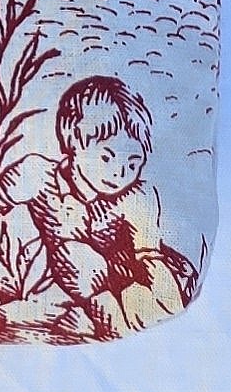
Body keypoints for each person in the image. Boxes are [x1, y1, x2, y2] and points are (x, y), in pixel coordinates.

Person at [22, 74, 194, 337]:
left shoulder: (136, 195)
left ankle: (142, 316)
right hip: (86, 275)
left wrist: (166, 300)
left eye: (133, 162)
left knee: (150, 292)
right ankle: (113, 325)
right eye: (106, 157)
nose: (119, 172)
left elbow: (149, 255)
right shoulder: (42, 178)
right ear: (73, 140)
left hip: (131, 268)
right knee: (81, 260)